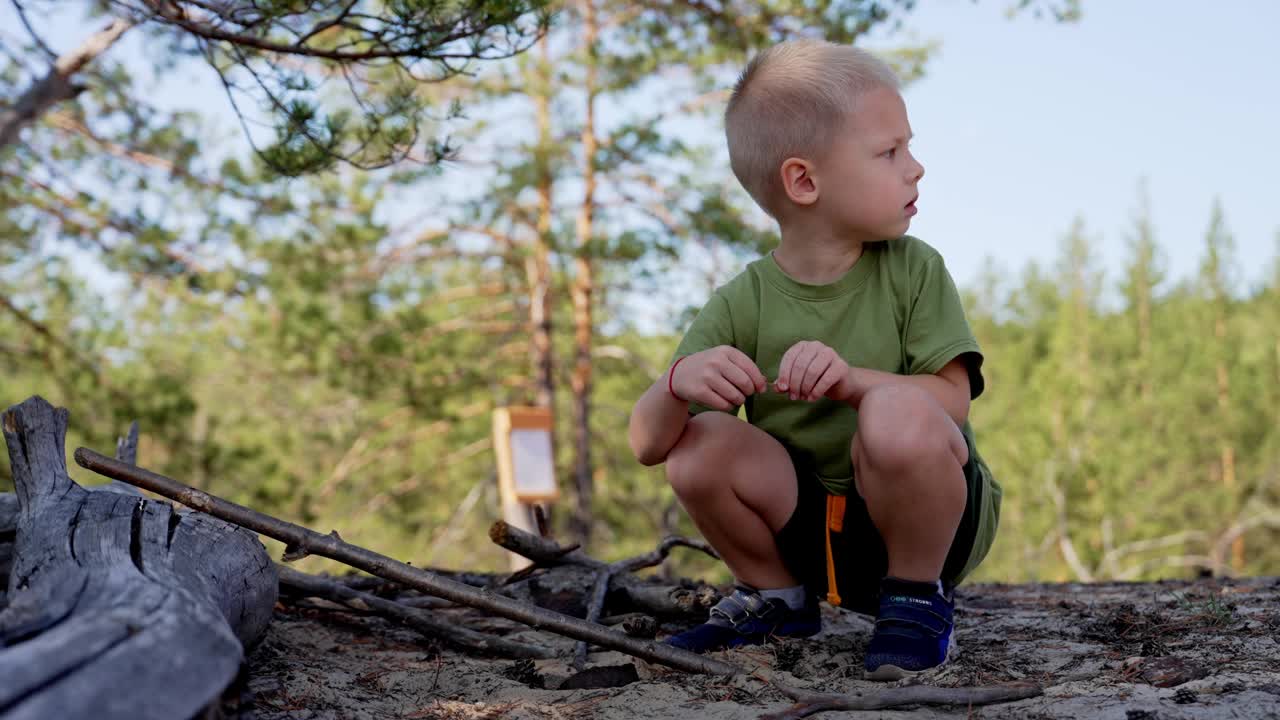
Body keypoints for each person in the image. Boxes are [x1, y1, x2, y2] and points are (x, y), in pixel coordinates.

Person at [626, 39, 1001, 680]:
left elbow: (952, 401)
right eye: (889, 152)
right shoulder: (744, 300)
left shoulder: (914, 270)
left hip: (926, 522)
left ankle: (916, 600)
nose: (916, 168)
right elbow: (648, 444)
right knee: (698, 442)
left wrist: (855, 383)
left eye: (907, 146)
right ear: (803, 181)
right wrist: (676, 382)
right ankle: (776, 596)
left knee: (896, 411)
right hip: (805, 531)